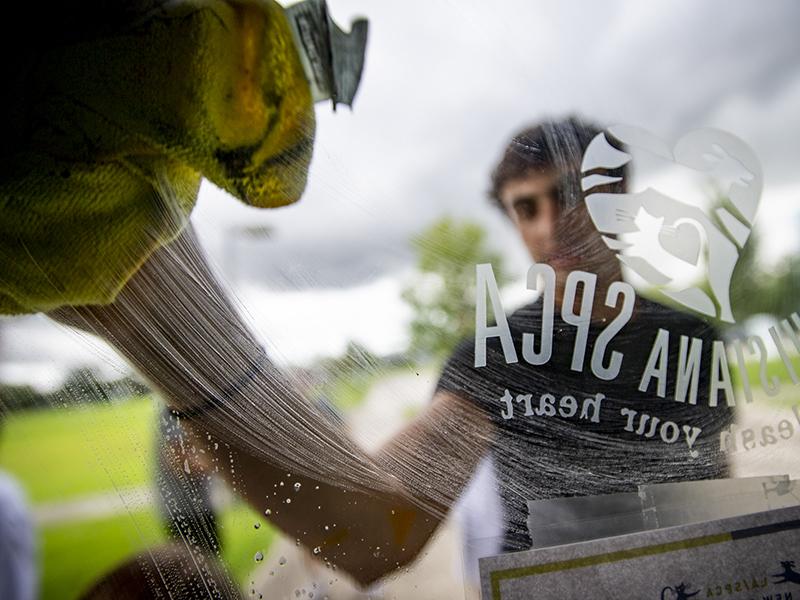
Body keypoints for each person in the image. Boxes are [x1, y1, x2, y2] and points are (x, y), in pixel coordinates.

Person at [1, 2, 731, 592]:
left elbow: (723, 498)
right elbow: (375, 535)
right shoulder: (505, 358)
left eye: (570, 194)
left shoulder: (697, 344)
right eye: (526, 206)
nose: (550, 224)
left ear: (619, 193)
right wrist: (164, 315)